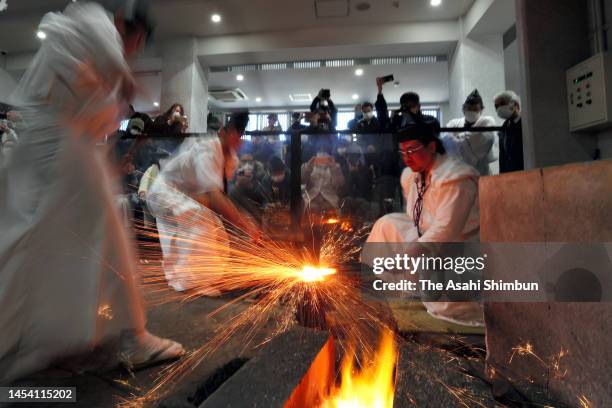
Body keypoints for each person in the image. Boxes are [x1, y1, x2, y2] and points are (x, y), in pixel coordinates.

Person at [0, 0, 183, 383]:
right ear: (128, 29)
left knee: (40, 238)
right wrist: (126, 78)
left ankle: (42, 338)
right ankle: (130, 335)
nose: (132, 52)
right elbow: (116, 77)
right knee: (103, 230)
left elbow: (105, 107)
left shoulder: (96, 42)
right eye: (135, 43)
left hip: (52, 144)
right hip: (58, 140)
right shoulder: (94, 20)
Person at [366, 121, 483, 326]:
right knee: (387, 225)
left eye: (412, 150)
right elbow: (415, 219)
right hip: (427, 236)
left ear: (431, 147)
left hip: (458, 247)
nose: (407, 157)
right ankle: (389, 286)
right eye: (403, 152)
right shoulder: (410, 176)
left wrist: (407, 256)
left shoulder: (456, 177)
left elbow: (445, 230)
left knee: (443, 302)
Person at [146, 112, 262, 293]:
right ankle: (193, 282)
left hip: (188, 198)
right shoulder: (206, 150)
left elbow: (220, 196)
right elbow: (215, 196)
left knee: (216, 229)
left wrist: (244, 218)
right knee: (200, 221)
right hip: (164, 194)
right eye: (232, 134)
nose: (235, 140)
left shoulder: (232, 160)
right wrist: (244, 224)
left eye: (238, 137)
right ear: (223, 132)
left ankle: (206, 276)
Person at [443, 89, 498, 176]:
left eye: (475, 109)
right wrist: (465, 139)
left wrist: (457, 139)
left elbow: (482, 140)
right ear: (464, 109)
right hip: (460, 174)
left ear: (481, 110)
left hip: (481, 173)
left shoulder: (487, 122)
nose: (472, 111)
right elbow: (446, 143)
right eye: (469, 108)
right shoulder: (454, 123)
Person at [375, 78, 440, 132]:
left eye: (412, 105)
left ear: (418, 106)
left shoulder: (430, 120)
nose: (408, 109)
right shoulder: (397, 121)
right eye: (406, 106)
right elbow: (382, 119)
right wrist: (380, 91)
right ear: (402, 107)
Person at [301, 140, 345, 213]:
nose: (322, 154)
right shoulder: (309, 166)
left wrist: (333, 168)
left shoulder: (336, 166)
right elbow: (302, 180)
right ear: (315, 154)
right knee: (308, 207)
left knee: (331, 210)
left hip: (330, 199)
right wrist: (308, 167)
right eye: (320, 151)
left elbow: (339, 184)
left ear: (329, 154)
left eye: (325, 151)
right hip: (311, 198)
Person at [495, 90, 524, 173]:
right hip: (509, 176)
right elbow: (503, 158)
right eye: (496, 106)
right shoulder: (504, 128)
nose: (499, 108)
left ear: (515, 104)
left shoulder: (526, 124)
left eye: (502, 104)